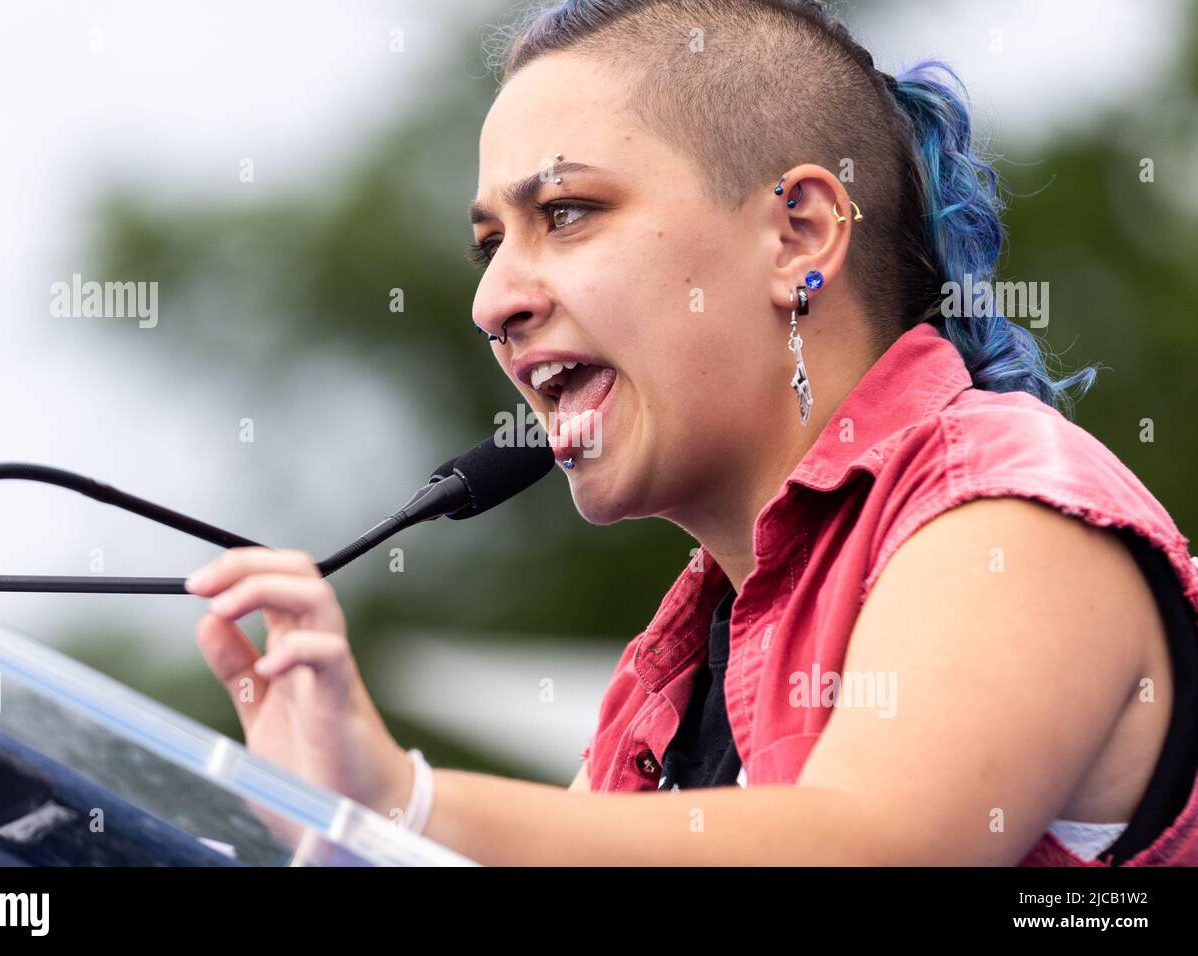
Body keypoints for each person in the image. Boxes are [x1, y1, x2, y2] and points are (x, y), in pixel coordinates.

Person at [184, 0, 1198, 865]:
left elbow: (869, 847)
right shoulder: (663, 676)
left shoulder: (1009, 514)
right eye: (490, 242)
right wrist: (331, 828)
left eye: (568, 212)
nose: (493, 299)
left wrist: (404, 804)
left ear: (798, 233)